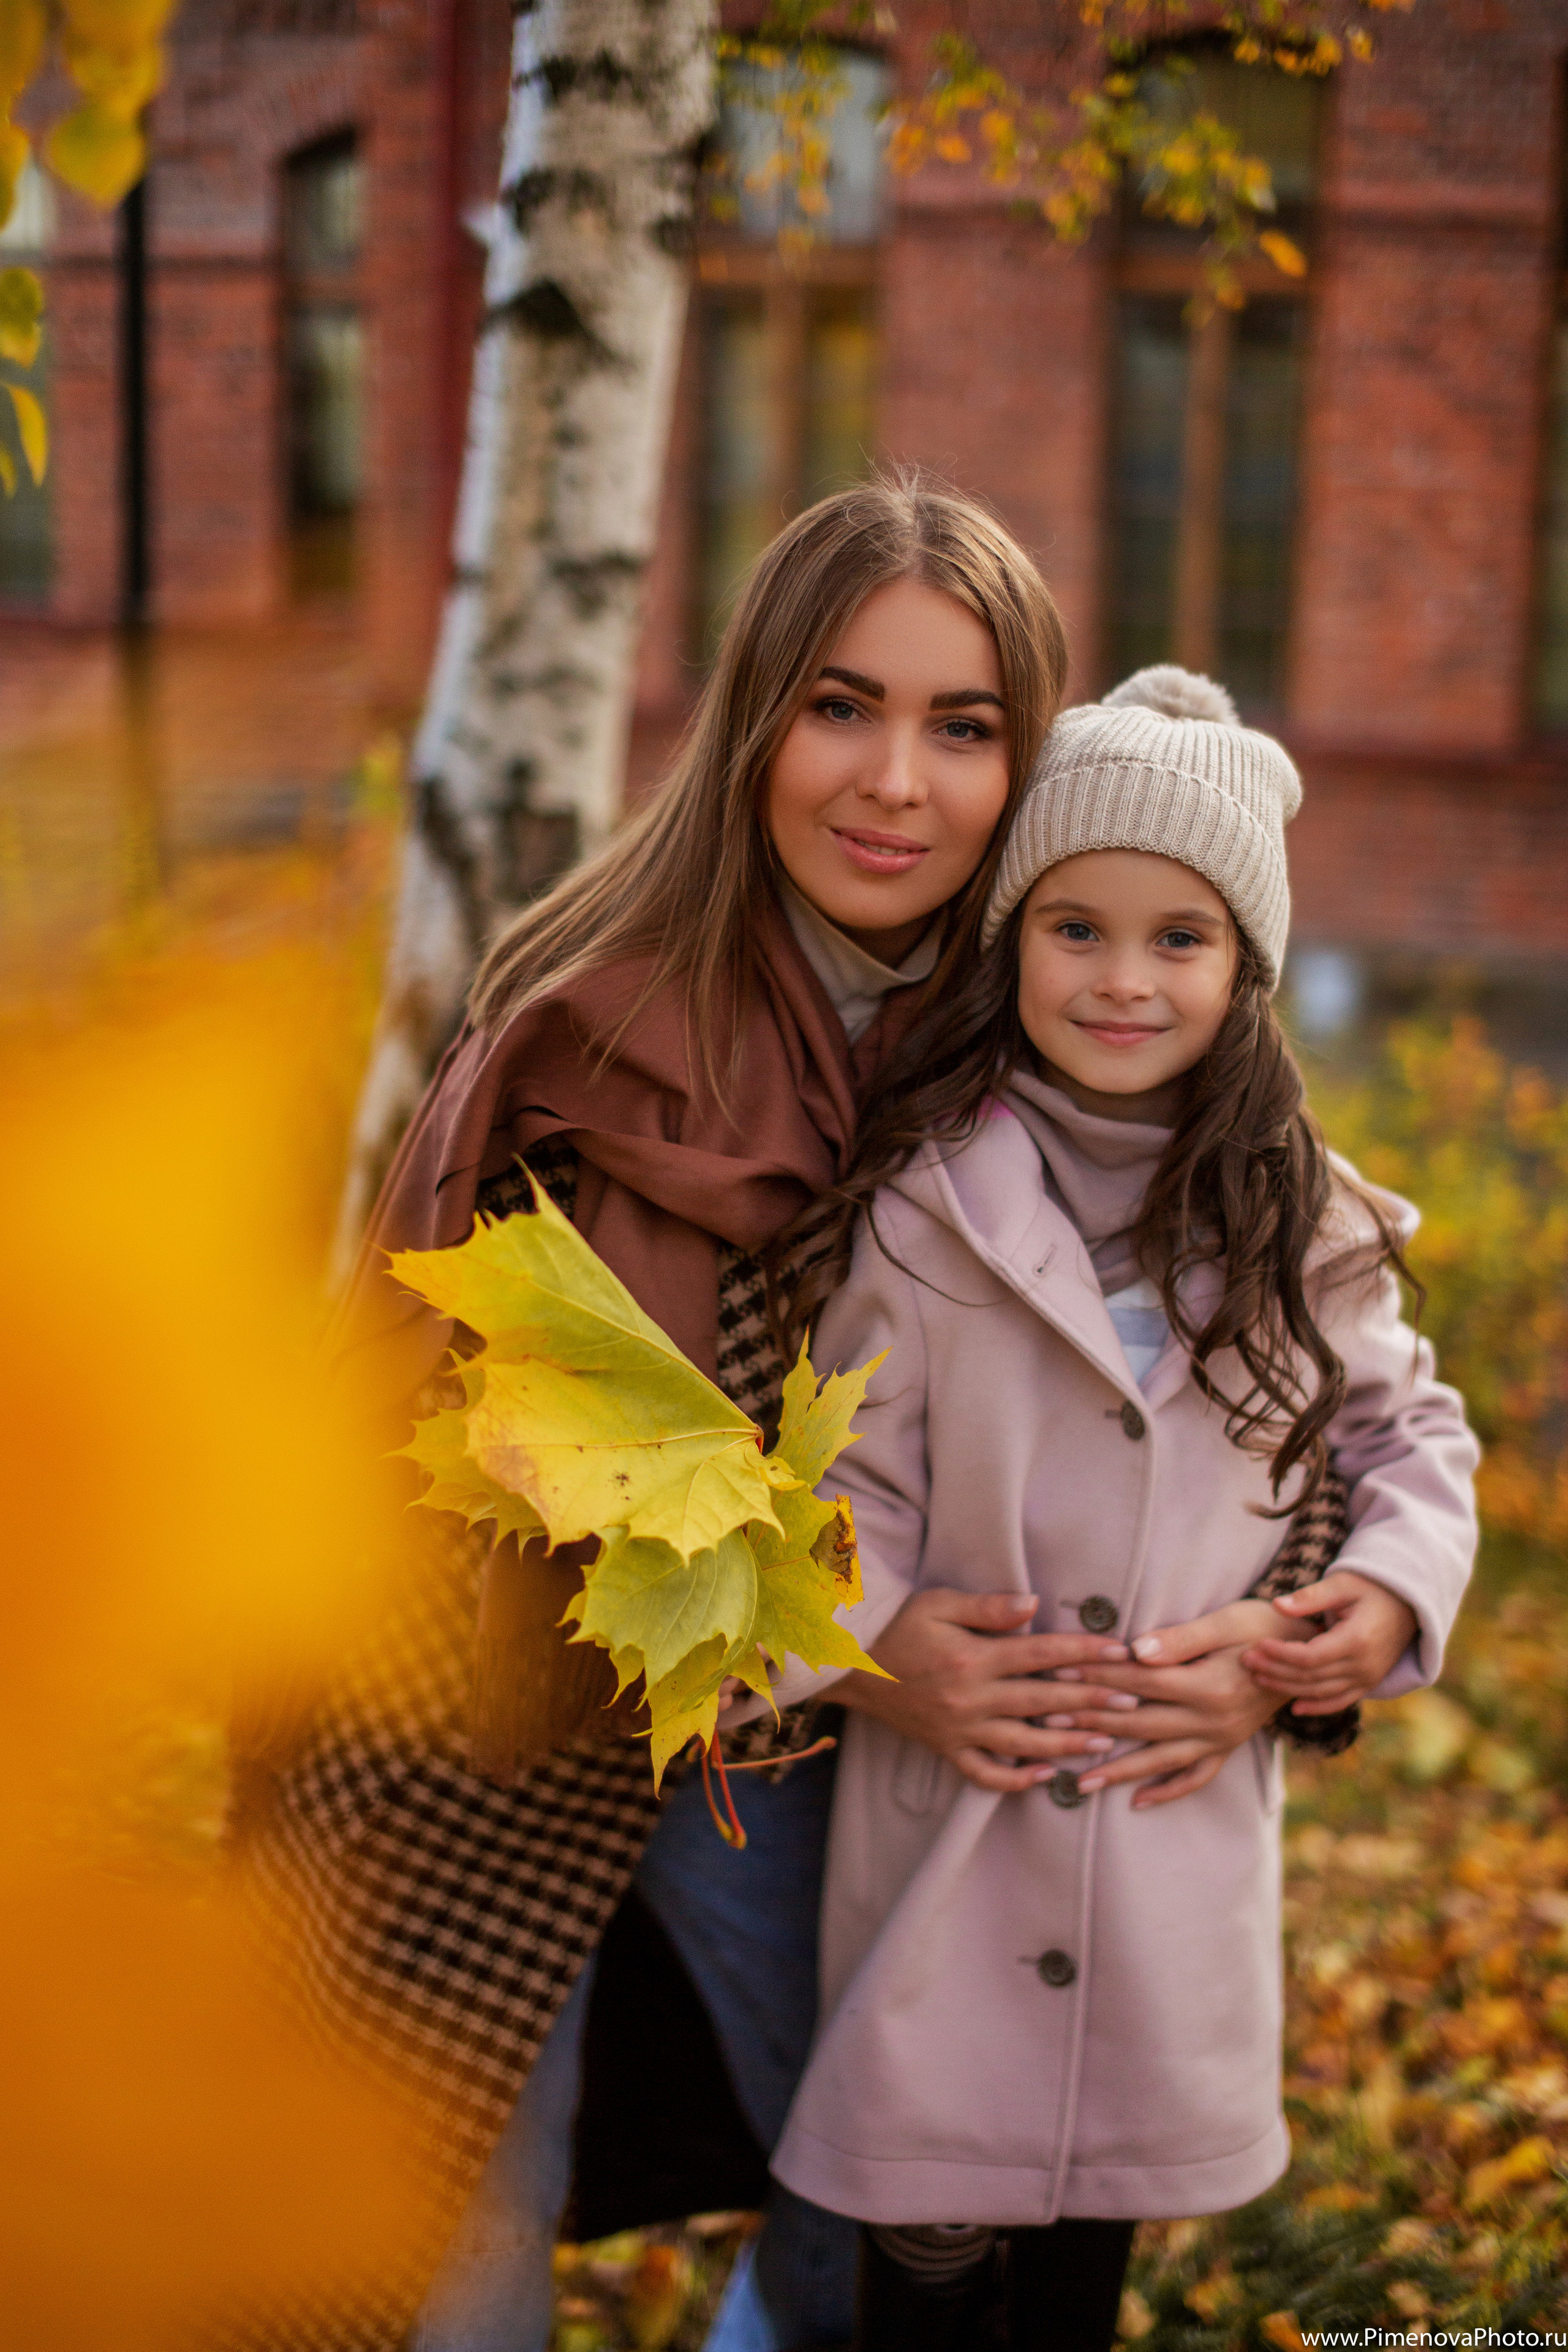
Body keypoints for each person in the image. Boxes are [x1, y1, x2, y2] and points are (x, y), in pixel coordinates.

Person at [745, 665, 1481, 2351]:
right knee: (928, 2251)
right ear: (1013, 940)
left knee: (1087, 2251)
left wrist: (1380, 1598)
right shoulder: (925, 1204)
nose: (1124, 979)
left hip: (1167, 1826)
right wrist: (874, 1644)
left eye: (1180, 939)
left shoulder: (1305, 1221)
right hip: (958, 1820)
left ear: (1245, 967)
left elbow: (1406, 1433)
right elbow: (834, 1482)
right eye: (1076, 929)